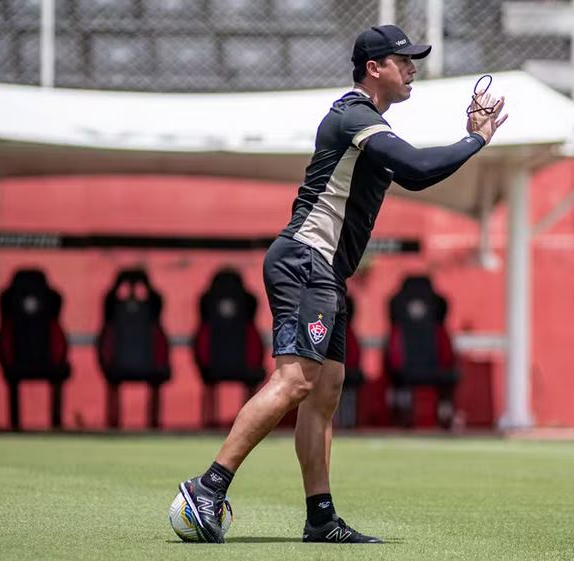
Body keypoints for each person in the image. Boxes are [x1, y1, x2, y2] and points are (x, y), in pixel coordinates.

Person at [178, 24, 507, 545]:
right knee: (296, 381)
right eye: (404, 61)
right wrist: (476, 139)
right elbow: (418, 170)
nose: (412, 68)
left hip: (324, 270)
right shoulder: (353, 115)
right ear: (373, 67)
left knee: (324, 392)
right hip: (306, 261)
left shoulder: (366, 121)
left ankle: (320, 517)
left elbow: (410, 168)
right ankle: (208, 487)